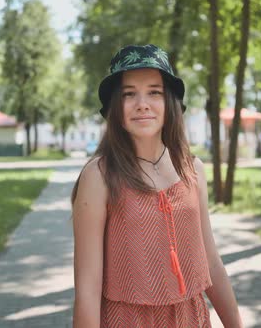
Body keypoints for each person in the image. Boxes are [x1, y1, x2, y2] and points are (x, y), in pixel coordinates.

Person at [71, 44, 242, 328]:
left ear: (170, 102)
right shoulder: (99, 176)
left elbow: (211, 262)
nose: (142, 103)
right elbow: (87, 289)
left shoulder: (192, 170)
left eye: (154, 92)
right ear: (115, 105)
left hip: (191, 319)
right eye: (129, 94)